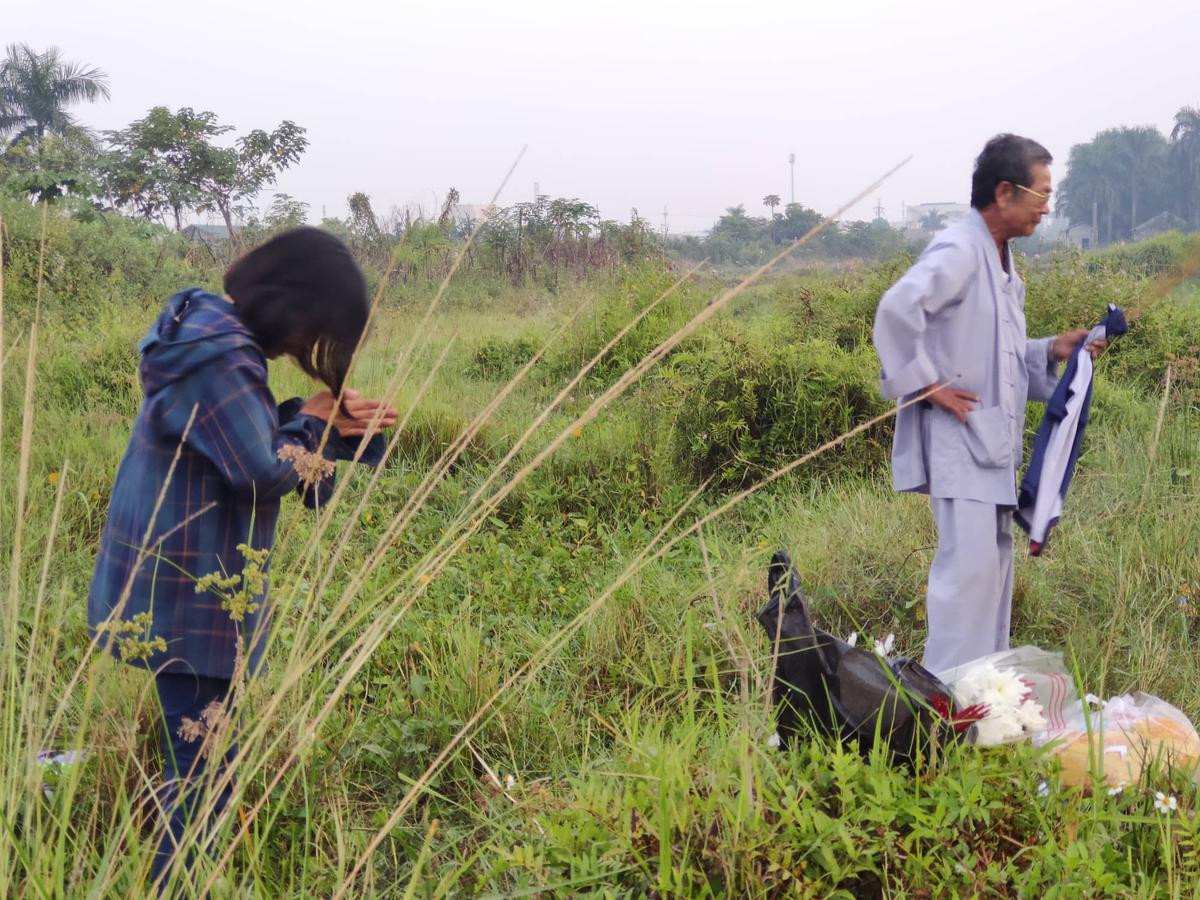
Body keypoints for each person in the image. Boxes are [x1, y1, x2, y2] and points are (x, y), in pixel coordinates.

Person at [87, 227, 398, 886]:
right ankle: (179, 882)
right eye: (317, 329)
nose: (309, 348)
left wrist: (324, 426)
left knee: (202, 756)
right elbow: (259, 469)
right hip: (188, 591)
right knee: (201, 772)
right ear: (291, 305)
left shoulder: (211, 336)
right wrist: (313, 419)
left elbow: (233, 437)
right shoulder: (221, 357)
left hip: (175, 580)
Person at [872, 134, 1105, 675]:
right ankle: (946, 713)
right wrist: (927, 385)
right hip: (961, 444)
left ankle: (981, 704)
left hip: (991, 447)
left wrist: (1053, 351)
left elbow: (1000, 358)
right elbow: (897, 310)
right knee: (964, 586)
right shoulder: (960, 248)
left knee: (991, 581)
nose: (1047, 206)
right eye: (1041, 193)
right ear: (1005, 192)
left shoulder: (1002, 262)